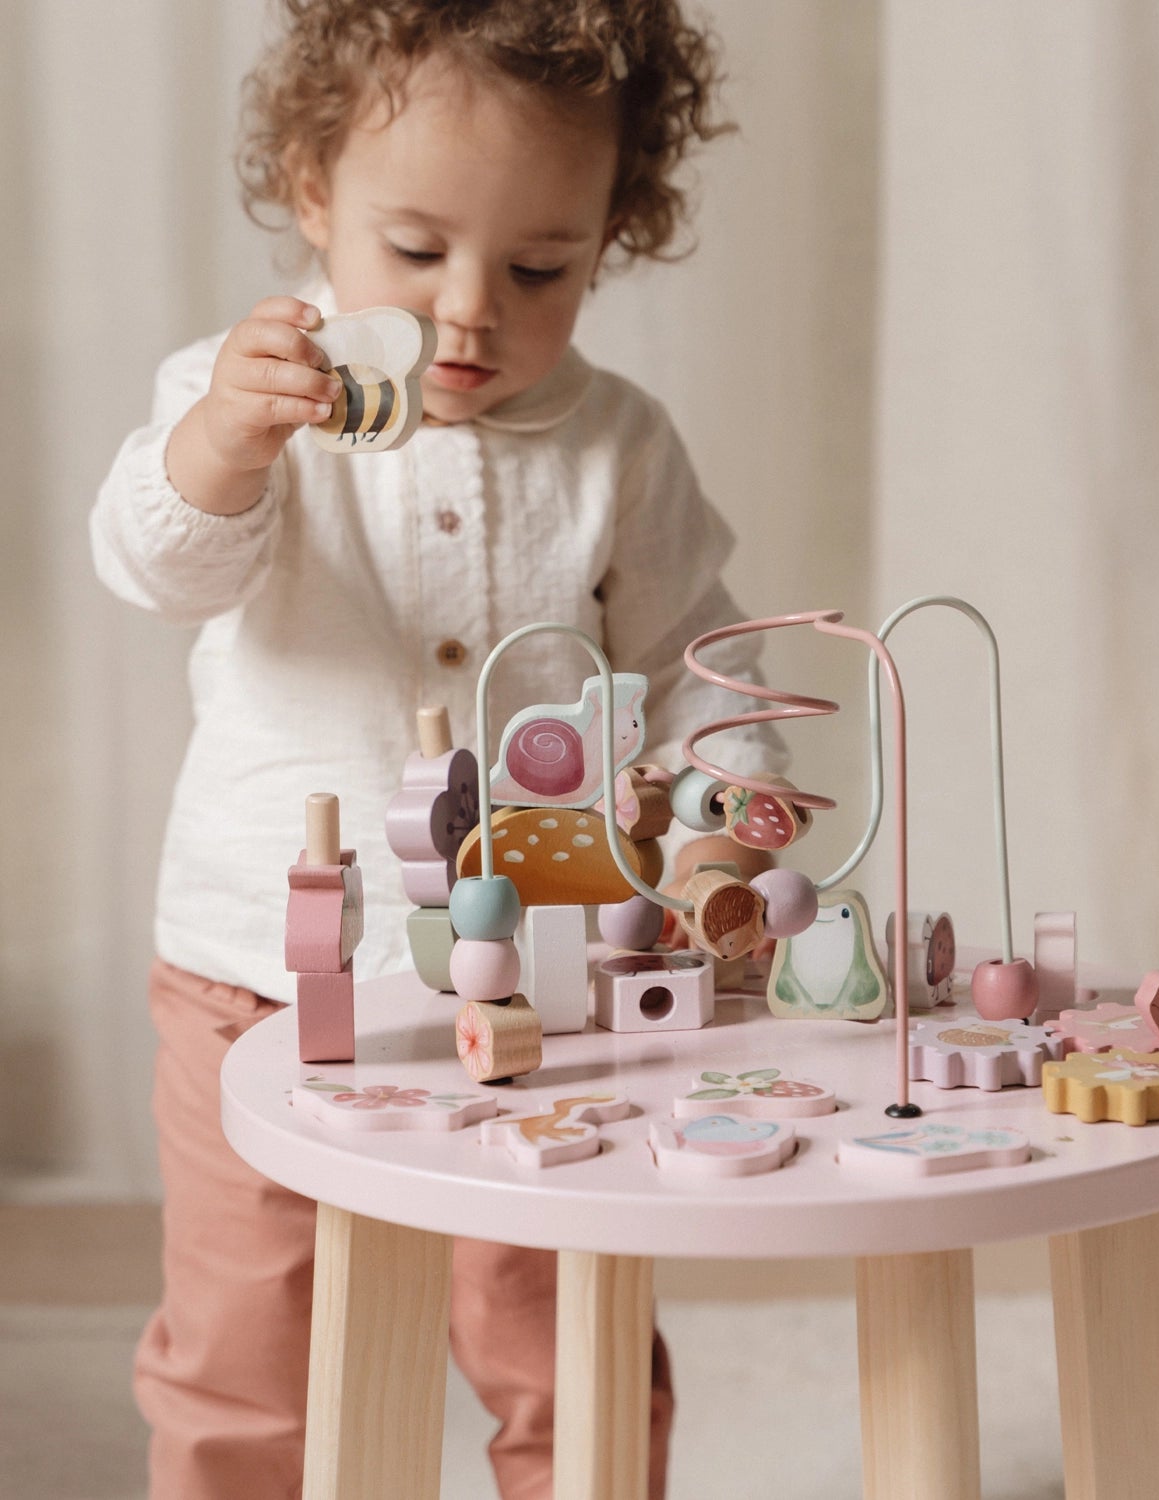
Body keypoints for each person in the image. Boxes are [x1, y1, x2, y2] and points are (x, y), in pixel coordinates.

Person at [90, 4, 782, 1496]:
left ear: (612, 236)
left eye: (539, 269)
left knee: (566, 1339)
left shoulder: (620, 444)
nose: (469, 312)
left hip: (536, 993)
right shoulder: (242, 396)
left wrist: (722, 825)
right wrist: (222, 445)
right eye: (416, 254)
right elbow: (160, 568)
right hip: (255, 973)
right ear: (315, 193)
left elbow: (698, 662)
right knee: (245, 1353)